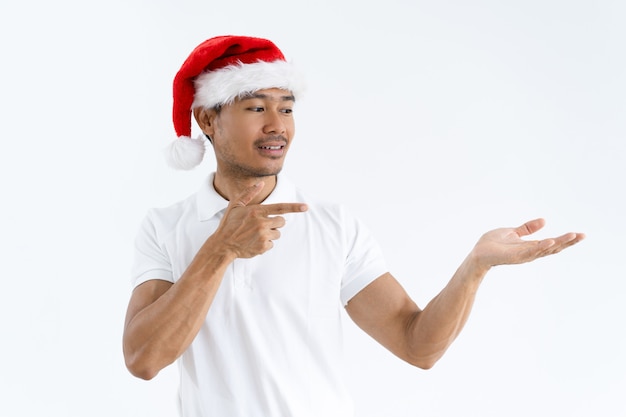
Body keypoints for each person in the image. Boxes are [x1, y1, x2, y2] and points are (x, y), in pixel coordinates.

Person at [123, 35, 585, 417]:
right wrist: (219, 249)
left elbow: (417, 345)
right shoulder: (165, 227)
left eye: (286, 108)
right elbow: (143, 360)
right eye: (254, 108)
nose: (276, 126)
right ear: (207, 118)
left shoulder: (332, 225)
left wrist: (475, 266)